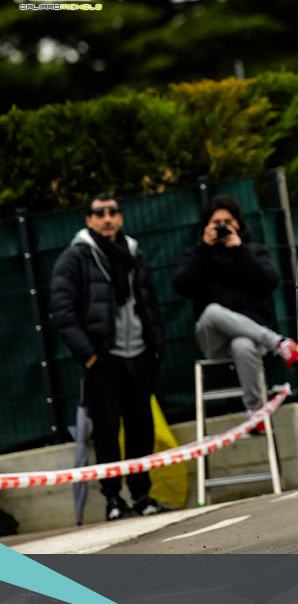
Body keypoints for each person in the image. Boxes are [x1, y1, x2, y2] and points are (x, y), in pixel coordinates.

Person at [50, 193, 166, 521]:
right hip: (103, 359)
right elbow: (62, 311)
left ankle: (142, 495)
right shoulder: (75, 257)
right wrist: (88, 355)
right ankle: (113, 500)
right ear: (89, 220)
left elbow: (149, 301)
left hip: (139, 354)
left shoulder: (133, 252)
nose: (107, 218)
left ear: (121, 217)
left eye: (113, 211)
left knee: (141, 427)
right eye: (99, 213)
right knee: (107, 431)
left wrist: (156, 346)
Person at [173, 195, 298, 433]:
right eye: (216, 223)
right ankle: (279, 343)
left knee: (242, 344)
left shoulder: (254, 251)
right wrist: (204, 249)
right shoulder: (196, 253)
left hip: (250, 339)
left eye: (228, 222)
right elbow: (182, 286)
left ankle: (255, 414)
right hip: (213, 337)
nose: (222, 227)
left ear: (238, 225)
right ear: (206, 226)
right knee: (212, 310)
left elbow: (269, 283)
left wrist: (240, 251)